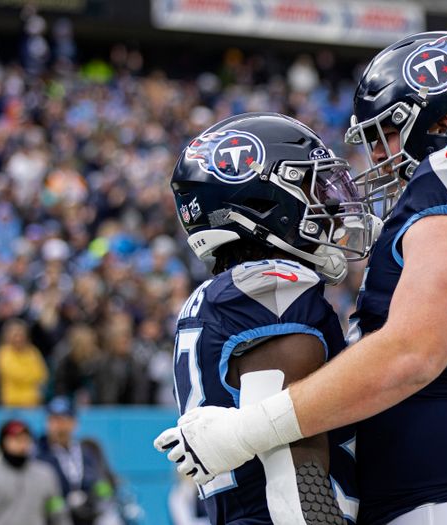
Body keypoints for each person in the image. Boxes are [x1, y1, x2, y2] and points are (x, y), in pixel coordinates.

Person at [155, 32, 447, 525]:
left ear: (442, 121)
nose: (379, 158)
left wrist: (245, 432)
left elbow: (410, 353)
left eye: (387, 134)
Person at [154, 112, 379, 523]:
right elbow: (294, 480)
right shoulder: (273, 292)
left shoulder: (224, 296)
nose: (330, 205)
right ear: (261, 202)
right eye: (312, 187)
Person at [0, 418, 71, 525]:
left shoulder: (45, 475)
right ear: (3, 442)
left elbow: (58, 514)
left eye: (25, 439)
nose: (21, 445)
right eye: (15, 439)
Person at [36, 396, 117, 525]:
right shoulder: (38, 452)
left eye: (63, 420)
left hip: (88, 512)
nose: (58, 425)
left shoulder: (87, 449)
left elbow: (104, 479)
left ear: (73, 422)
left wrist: (99, 489)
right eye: (53, 419)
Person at [0, 318, 48, 407]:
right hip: (12, 404)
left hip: (34, 403)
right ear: (8, 336)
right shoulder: (3, 353)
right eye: (15, 335)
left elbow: (42, 374)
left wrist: (34, 378)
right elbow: (16, 374)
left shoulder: (33, 351)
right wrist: (32, 377)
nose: (18, 338)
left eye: (21, 334)